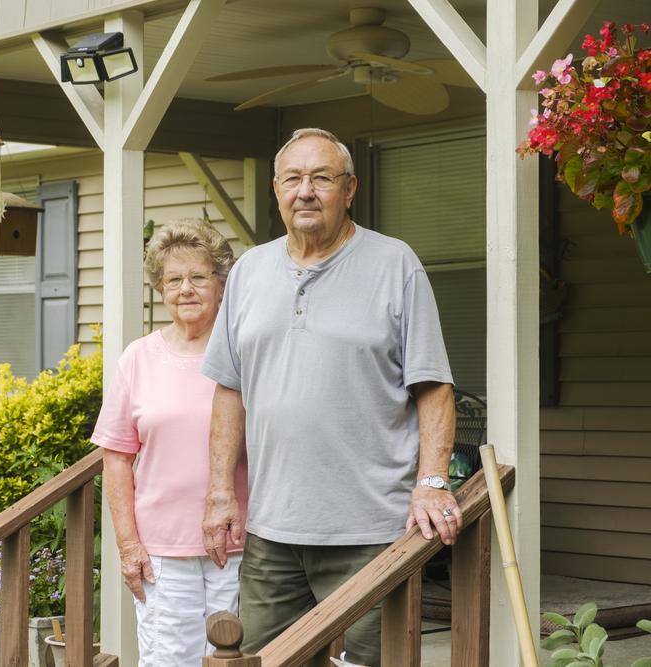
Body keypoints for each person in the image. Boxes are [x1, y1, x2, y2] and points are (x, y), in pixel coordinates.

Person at [201, 128, 459, 665]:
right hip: (272, 528)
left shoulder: (395, 264)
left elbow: (432, 385)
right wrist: (221, 490)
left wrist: (432, 483)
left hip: (371, 530)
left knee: (372, 662)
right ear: (276, 189)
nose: (306, 191)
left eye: (322, 178)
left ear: (350, 188)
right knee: (266, 660)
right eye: (293, 178)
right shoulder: (249, 271)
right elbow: (230, 387)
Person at [92, 219, 249, 666]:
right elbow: (117, 458)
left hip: (238, 543)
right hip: (161, 551)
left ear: (221, 284)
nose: (185, 289)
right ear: (160, 289)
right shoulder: (139, 358)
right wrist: (128, 547)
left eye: (198, 277)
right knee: (168, 660)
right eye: (173, 280)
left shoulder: (245, 351)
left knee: (237, 658)